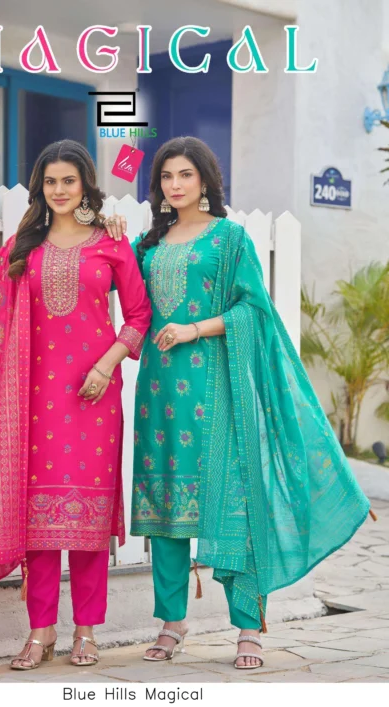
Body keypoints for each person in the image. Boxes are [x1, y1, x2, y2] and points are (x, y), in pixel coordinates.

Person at [105, 136, 372, 670]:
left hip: (215, 393)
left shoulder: (230, 239)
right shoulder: (147, 244)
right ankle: (171, 623)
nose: (175, 185)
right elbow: (111, 282)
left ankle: (248, 627)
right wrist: (109, 229)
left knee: (234, 509)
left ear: (205, 179)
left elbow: (254, 311)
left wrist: (194, 329)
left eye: (185, 174)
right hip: (159, 394)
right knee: (165, 512)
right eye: (166, 176)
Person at [0, 139, 152, 669]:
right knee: (37, 525)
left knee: (86, 525)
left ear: (85, 185)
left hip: (95, 397)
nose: (59, 190)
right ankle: (40, 633)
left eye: (69, 181)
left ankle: (86, 631)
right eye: (50, 182)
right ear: (41, 188)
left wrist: (106, 366)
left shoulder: (112, 243)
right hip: (36, 401)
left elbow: (138, 316)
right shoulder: (26, 246)